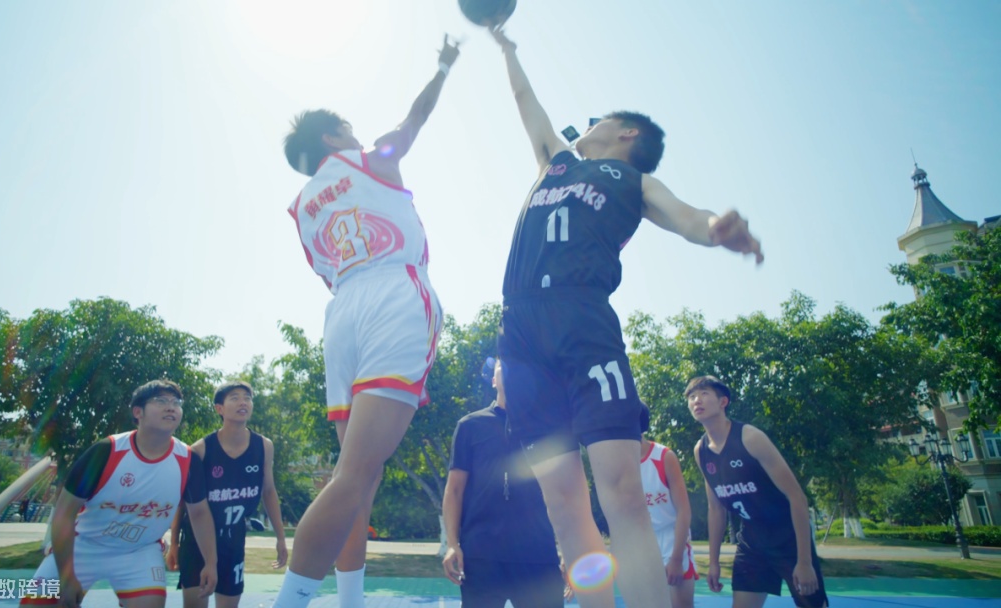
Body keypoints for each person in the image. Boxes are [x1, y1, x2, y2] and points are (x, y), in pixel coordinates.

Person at [487, 28, 764, 608]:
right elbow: (524, 101)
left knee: (622, 496)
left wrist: (718, 229)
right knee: (563, 505)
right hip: (521, 335)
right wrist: (506, 49)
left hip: (584, 324)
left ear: (626, 132)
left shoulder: (636, 180)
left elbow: (690, 218)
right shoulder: (556, 162)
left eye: (598, 119)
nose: (584, 125)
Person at [271, 35, 460, 608]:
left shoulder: (301, 206)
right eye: (347, 128)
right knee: (353, 476)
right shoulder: (368, 158)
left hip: (342, 312)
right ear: (332, 139)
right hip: (392, 294)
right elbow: (416, 118)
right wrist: (443, 67)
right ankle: (290, 602)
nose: (356, 134)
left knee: (359, 476)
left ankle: (350, 600)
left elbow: (323, 270)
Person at [20, 380, 217, 608]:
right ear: (137, 412)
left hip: (139, 551)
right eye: (161, 401)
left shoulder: (188, 460)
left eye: (176, 402)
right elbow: (64, 513)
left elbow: (200, 513)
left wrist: (210, 563)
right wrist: (66, 576)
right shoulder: (106, 451)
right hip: (83, 545)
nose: (171, 407)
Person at [688, 376, 828, 608]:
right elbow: (716, 508)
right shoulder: (700, 451)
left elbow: (797, 497)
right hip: (752, 542)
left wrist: (804, 562)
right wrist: (713, 562)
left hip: (789, 539)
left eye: (704, 394)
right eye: (692, 397)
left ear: (723, 402)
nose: (696, 400)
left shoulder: (750, 437)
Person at [442, 358, 565, 608]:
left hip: (537, 557)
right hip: (481, 557)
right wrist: (452, 544)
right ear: (493, 379)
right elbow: (454, 490)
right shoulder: (470, 426)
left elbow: (563, 493)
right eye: (503, 365)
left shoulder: (546, 428)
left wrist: (567, 548)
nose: (510, 370)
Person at [166, 381, 288, 607]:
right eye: (235, 398)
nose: (243, 402)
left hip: (233, 539)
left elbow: (269, 491)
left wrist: (280, 537)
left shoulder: (264, 446)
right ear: (219, 408)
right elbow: (183, 501)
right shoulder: (200, 450)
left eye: (247, 398)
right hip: (197, 541)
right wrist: (174, 543)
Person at [639, 434, 699, 608]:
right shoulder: (621, 463)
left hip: (672, 540)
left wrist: (676, 559)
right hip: (643, 542)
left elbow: (684, 510)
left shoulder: (664, 456)